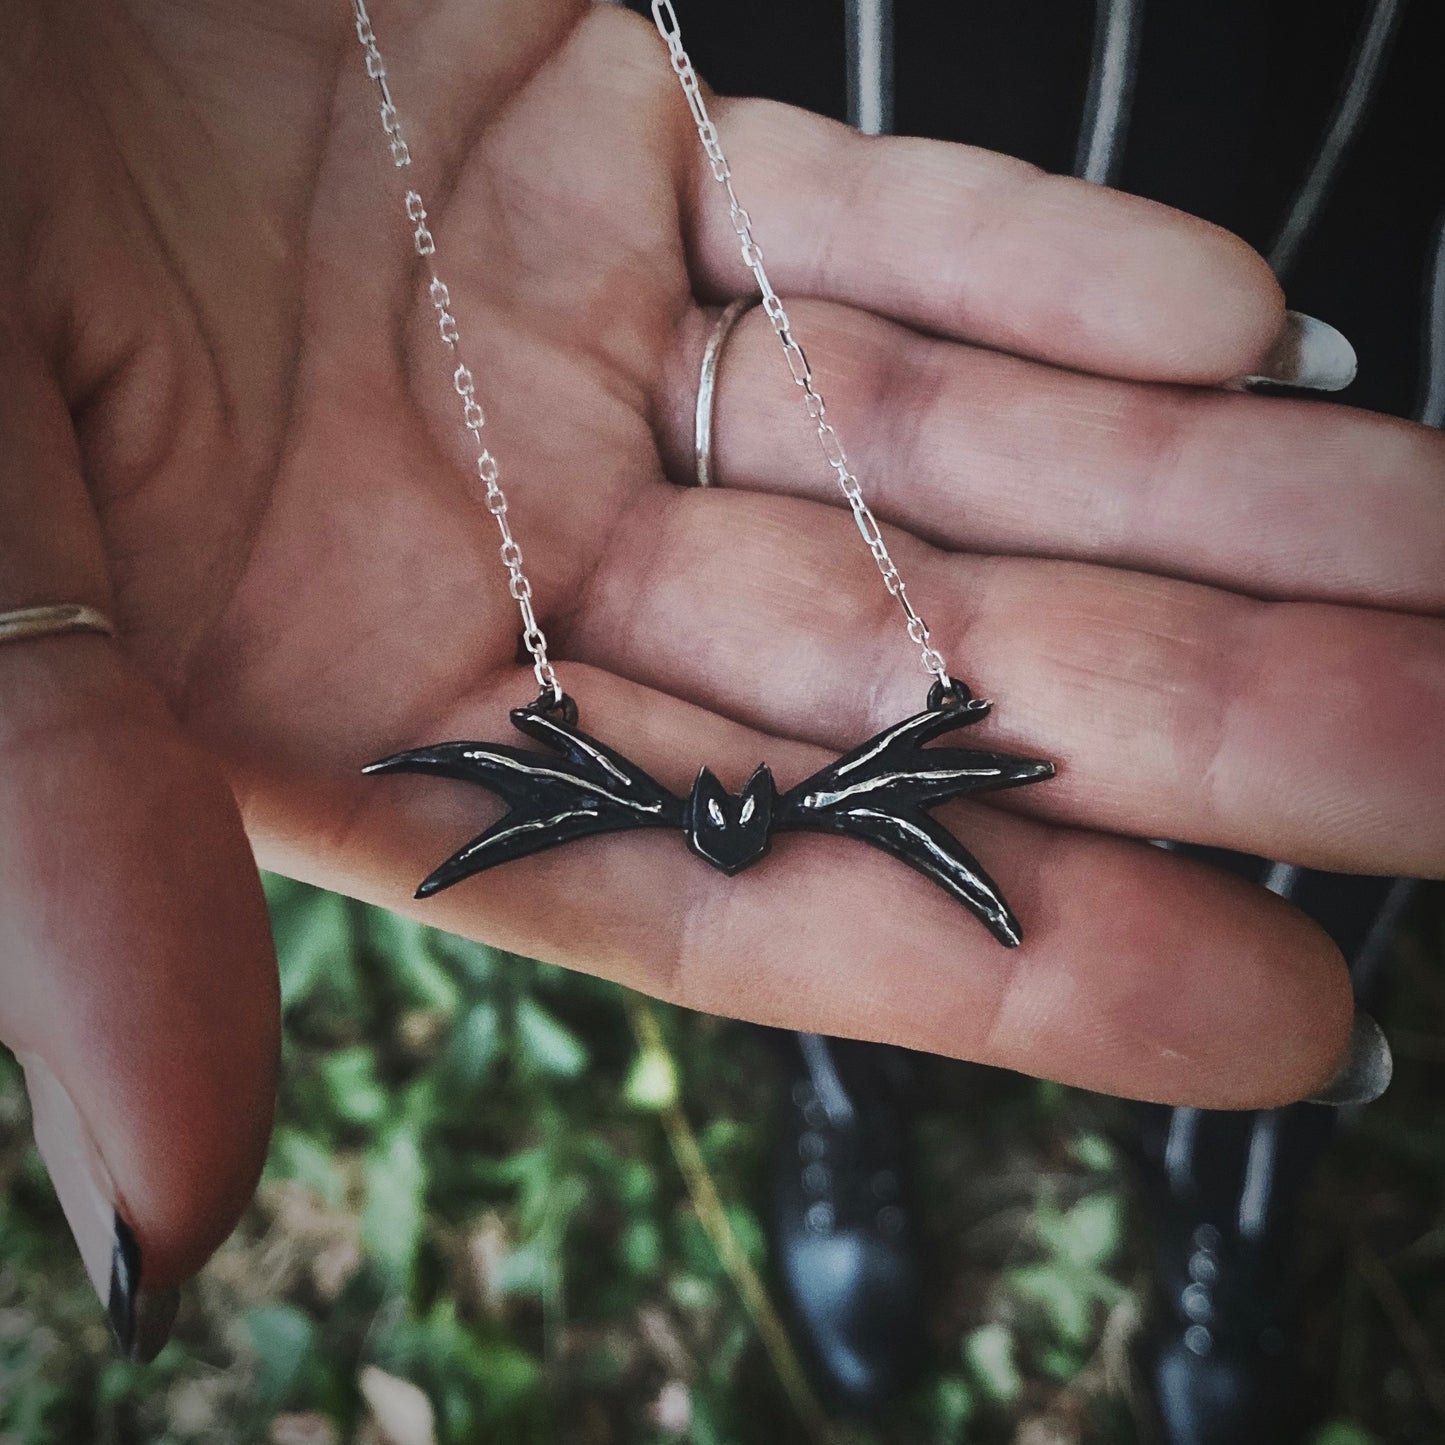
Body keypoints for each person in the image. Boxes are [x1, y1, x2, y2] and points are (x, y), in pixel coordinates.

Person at [0, 0, 1440, 1373]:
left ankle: (1234, 1191)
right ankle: (847, 1082)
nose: (737, 813)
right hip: (717, 70)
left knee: (1250, 682)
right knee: (920, 871)